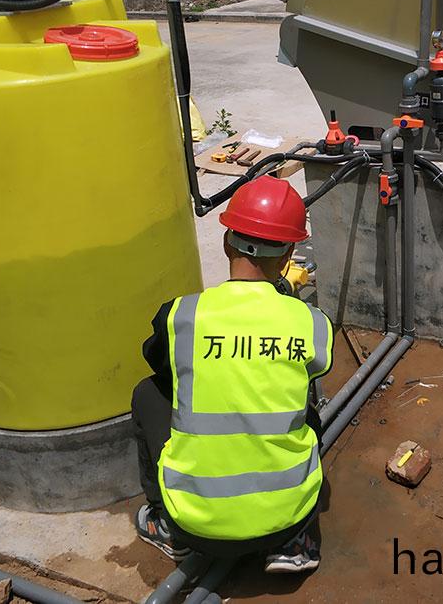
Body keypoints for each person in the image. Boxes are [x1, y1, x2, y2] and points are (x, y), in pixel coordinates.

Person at [130, 176, 331, 573]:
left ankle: (165, 524)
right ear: (289, 253)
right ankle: (297, 544)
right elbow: (316, 366)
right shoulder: (311, 323)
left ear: (226, 242)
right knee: (302, 402)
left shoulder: (181, 315)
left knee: (148, 393)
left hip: (194, 526)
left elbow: (162, 367)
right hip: (287, 519)